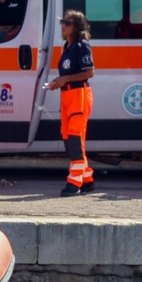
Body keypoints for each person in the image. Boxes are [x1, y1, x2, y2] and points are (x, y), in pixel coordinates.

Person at [48, 11, 95, 196]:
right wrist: (58, 82)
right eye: (62, 22)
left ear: (77, 26)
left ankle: (74, 183)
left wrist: (65, 78)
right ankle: (87, 179)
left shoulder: (82, 46)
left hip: (79, 95)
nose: (63, 26)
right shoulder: (67, 46)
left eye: (67, 23)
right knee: (69, 139)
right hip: (67, 95)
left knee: (75, 139)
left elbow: (89, 72)